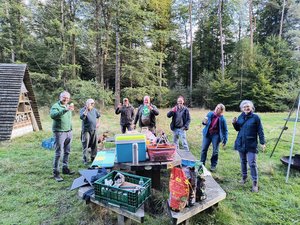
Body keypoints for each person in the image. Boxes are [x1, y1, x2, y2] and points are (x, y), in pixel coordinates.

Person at [232, 100, 266, 192]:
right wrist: (234, 123)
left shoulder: (256, 117)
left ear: (251, 107)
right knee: (243, 161)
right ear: (242, 109)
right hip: (241, 142)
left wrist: (262, 142)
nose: (246, 108)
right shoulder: (240, 116)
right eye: (244, 107)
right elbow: (238, 129)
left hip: (251, 144)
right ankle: (244, 178)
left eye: (248, 106)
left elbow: (260, 130)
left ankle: (255, 183)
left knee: (252, 163)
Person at [50, 91, 75, 182]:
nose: (66, 99)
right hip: (59, 133)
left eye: (67, 98)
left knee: (67, 151)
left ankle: (65, 169)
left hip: (68, 132)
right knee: (58, 153)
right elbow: (53, 116)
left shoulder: (68, 106)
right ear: (60, 97)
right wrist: (65, 109)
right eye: (64, 97)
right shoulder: (56, 106)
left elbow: (68, 119)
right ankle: (56, 173)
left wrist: (70, 129)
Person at [200, 103, 228, 172]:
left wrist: (225, 140)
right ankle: (202, 164)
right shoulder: (210, 114)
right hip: (207, 133)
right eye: (216, 107)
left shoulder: (222, 119)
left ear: (221, 111)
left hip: (216, 135)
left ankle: (213, 165)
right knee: (204, 149)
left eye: (218, 108)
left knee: (215, 151)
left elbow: (225, 130)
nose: (216, 109)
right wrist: (204, 122)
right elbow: (204, 122)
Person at [80, 99, 101, 165]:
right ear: (87, 104)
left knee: (94, 145)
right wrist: (87, 109)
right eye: (91, 103)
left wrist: (98, 123)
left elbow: (99, 116)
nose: (92, 105)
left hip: (94, 129)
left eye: (93, 103)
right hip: (86, 130)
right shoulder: (83, 110)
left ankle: (93, 157)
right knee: (85, 145)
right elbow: (82, 117)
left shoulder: (94, 110)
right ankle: (85, 159)